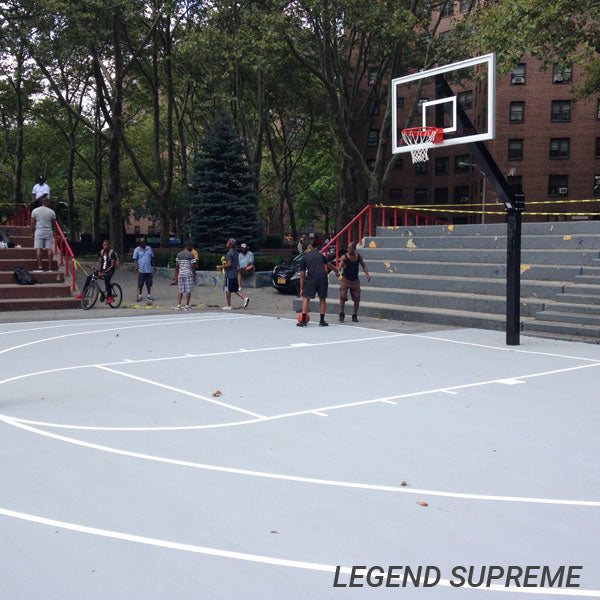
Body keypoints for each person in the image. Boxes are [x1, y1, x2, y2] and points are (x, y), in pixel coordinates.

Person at [297, 242, 339, 327]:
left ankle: (303, 321)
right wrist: (336, 271)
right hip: (322, 278)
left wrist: (302, 288)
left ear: (305, 250)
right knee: (322, 299)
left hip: (312, 278)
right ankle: (322, 321)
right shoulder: (320, 255)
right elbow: (330, 265)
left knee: (306, 298)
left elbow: (302, 275)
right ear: (311, 247)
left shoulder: (304, 258)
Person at [338, 241, 370, 323]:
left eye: (350, 248)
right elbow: (340, 265)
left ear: (354, 249)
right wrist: (339, 269)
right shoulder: (344, 257)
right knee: (342, 295)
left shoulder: (358, 257)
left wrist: (367, 274)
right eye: (348, 248)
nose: (348, 249)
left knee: (357, 297)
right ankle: (341, 314)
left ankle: (354, 315)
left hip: (355, 279)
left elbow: (363, 265)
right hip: (346, 278)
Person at [216, 238, 249, 310]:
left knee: (227, 290)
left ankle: (229, 306)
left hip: (229, 274)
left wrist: (220, 266)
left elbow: (229, 264)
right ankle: (245, 298)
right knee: (235, 289)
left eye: (228, 242)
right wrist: (226, 259)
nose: (227, 243)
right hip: (235, 274)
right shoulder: (236, 253)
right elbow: (236, 263)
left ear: (231, 244)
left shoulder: (229, 253)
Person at [30, 197, 56, 272]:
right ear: (46, 202)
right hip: (48, 231)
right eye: (49, 202)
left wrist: (32, 233)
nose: (50, 204)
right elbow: (54, 224)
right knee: (49, 249)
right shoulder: (51, 212)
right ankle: (50, 268)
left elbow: (32, 223)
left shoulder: (35, 211)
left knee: (38, 249)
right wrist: (56, 233)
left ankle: (40, 267)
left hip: (39, 231)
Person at [175, 240, 197, 310]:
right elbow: (193, 266)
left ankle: (179, 305)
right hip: (188, 274)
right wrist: (194, 274)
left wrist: (176, 277)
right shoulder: (191, 255)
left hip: (181, 274)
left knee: (180, 290)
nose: (192, 248)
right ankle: (187, 305)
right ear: (189, 246)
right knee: (188, 290)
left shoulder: (179, 254)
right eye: (191, 247)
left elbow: (177, 266)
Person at [133, 237, 156, 302]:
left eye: (144, 242)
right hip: (141, 270)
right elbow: (135, 259)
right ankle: (140, 296)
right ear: (139, 243)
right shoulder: (137, 250)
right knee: (140, 283)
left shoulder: (149, 248)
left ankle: (149, 296)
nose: (143, 244)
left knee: (149, 283)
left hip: (148, 269)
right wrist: (136, 267)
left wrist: (154, 267)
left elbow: (152, 258)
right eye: (142, 243)